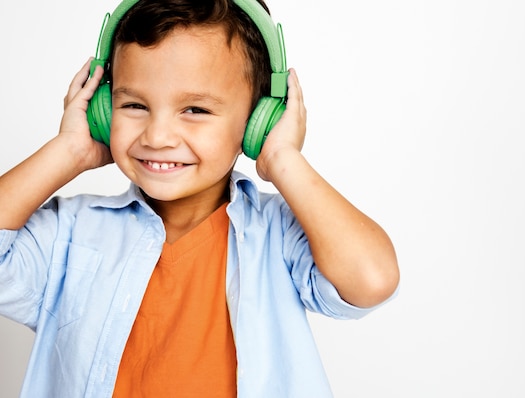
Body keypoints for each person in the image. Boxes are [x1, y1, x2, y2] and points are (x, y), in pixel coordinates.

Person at [0, 0, 400, 396]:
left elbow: (372, 279)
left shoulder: (278, 235)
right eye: (134, 105)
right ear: (103, 110)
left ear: (258, 119)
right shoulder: (72, 233)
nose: (157, 137)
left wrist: (283, 158)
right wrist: (68, 150)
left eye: (194, 109)